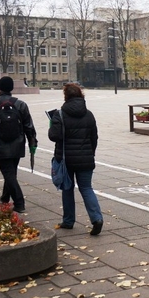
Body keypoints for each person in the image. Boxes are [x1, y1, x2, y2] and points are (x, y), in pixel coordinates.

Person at [48, 83, 103, 235]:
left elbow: (54, 136)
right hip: (85, 158)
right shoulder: (89, 114)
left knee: (67, 189)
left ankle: (68, 221)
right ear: (81, 95)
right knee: (86, 188)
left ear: (66, 96)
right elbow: (94, 137)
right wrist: (90, 153)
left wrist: (51, 123)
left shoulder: (59, 115)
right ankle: (97, 218)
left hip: (66, 160)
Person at [0, 77, 37, 213]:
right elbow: (29, 126)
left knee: (8, 173)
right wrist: (33, 141)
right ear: (11, 88)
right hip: (18, 144)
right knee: (11, 172)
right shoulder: (20, 104)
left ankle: (19, 202)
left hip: (0, 145)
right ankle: (5, 197)